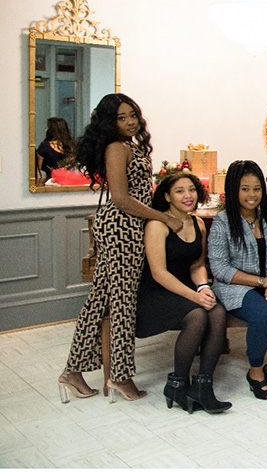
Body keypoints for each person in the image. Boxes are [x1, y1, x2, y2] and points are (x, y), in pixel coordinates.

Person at [58, 94, 180, 404]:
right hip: (119, 228)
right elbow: (122, 199)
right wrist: (163, 217)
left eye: (132, 115)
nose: (129, 122)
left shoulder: (132, 146)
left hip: (129, 228)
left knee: (100, 301)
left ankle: (73, 371)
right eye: (121, 118)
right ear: (109, 123)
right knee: (122, 305)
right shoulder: (116, 148)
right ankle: (120, 377)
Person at [208, 161, 267, 401]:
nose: (252, 195)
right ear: (233, 190)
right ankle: (255, 372)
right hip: (236, 287)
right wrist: (262, 282)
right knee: (264, 316)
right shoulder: (222, 221)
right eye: (244, 189)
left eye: (256, 188)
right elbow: (219, 268)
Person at [137, 172, 230, 413]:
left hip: (186, 288)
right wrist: (195, 297)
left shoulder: (198, 223)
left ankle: (203, 386)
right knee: (198, 315)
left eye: (191, 189)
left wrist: (204, 287)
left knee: (217, 311)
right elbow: (159, 273)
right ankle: (177, 384)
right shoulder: (157, 225)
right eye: (179, 191)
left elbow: (197, 265)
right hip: (155, 292)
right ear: (167, 196)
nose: (187, 195)